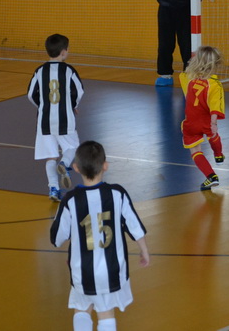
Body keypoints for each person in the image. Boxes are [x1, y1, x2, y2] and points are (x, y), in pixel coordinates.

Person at [51, 141, 150, 331]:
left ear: (76, 168)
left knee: (81, 308)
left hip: (82, 270)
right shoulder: (117, 194)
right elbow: (134, 225)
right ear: (105, 165)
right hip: (111, 268)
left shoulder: (70, 200)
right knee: (106, 312)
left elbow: (57, 238)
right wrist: (144, 250)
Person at [28, 34, 85, 201]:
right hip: (65, 118)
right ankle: (65, 164)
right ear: (64, 52)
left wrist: (42, 106)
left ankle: (53, 189)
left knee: (50, 156)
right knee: (72, 147)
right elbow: (79, 91)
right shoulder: (69, 70)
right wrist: (73, 105)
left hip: (44, 120)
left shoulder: (39, 71)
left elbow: (31, 94)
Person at [178, 45, 226, 191]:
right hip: (206, 121)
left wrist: (192, 65)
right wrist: (214, 123)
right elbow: (215, 106)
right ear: (216, 64)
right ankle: (218, 155)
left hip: (191, 123)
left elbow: (183, 74)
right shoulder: (215, 85)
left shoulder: (188, 78)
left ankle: (211, 177)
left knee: (195, 151)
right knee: (213, 134)